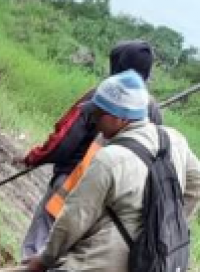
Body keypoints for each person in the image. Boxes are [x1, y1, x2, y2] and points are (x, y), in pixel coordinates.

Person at [25, 69, 200, 272]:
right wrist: (165, 228)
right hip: (154, 263)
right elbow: (196, 185)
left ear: (121, 118)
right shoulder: (174, 140)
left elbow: (74, 218)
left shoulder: (110, 158)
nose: (94, 121)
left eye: (98, 114)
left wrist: (44, 259)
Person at [16, 41, 162, 261]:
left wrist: (34, 157)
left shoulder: (102, 95)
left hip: (71, 183)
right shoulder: (153, 111)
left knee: (39, 245)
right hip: (114, 204)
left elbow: (65, 140)